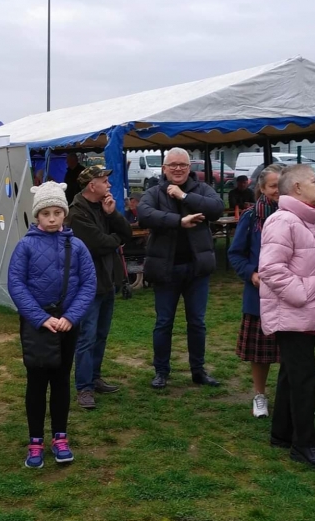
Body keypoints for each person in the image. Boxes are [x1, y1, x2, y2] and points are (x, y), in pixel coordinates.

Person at [8, 182, 96, 468]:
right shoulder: (25, 246)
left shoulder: (78, 246)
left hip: (67, 324)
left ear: (64, 214)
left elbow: (88, 283)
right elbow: (16, 284)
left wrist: (71, 317)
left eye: (58, 212)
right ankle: (35, 440)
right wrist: (40, 318)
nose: (52, 218)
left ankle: (60, 436)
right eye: (46, 212)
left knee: (60, 381)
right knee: (36, 382)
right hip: (38, 325)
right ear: (37, 215)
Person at [259, 164, 315, 470]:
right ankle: (304, 445)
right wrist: (301, 295)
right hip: (294, 312)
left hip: (303, 313)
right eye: (313, 181)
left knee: (292, 372)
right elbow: (271, 269)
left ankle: (282, 433)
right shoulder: (283, 221)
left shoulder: (304, 220)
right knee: (303, 378)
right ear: (297, 189)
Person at [138, 147, 224, 389]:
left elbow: (216, 208)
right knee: (164, 322)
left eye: (182, 165)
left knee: (197, 322)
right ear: (164, 168)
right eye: (172, 165)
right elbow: (144, 215)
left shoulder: (202, 189)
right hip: (166, 269)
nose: (177, 169)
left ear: (189, 168)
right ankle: (161, 371)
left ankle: (198, 370)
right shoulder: (154, 192)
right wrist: (178, 221)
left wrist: (183, 197)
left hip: (196, 270)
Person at [66, 164, 132, 409]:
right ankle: (83, 388)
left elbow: (126, 232)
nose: (109, 185)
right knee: (87, 337)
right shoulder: (76, 213)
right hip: (87, 285)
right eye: (105, 181)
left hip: (106, 280)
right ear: (92, 185)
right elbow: (98, 243)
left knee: (100, 335)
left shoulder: (102, 207)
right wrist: (115, 241)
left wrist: (112, 214)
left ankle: (94, 378)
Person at [228, 164, 283, 417]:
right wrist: (251, 273)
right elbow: (235, 254)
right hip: (260, 295)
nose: (278, 191)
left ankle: (291, 396)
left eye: (282, 186)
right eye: (273, 186)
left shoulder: (300, 215)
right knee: (261, 353)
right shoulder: (252, 218)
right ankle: (260, 395)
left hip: (292, 295)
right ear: (261, 188)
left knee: (293, 352)